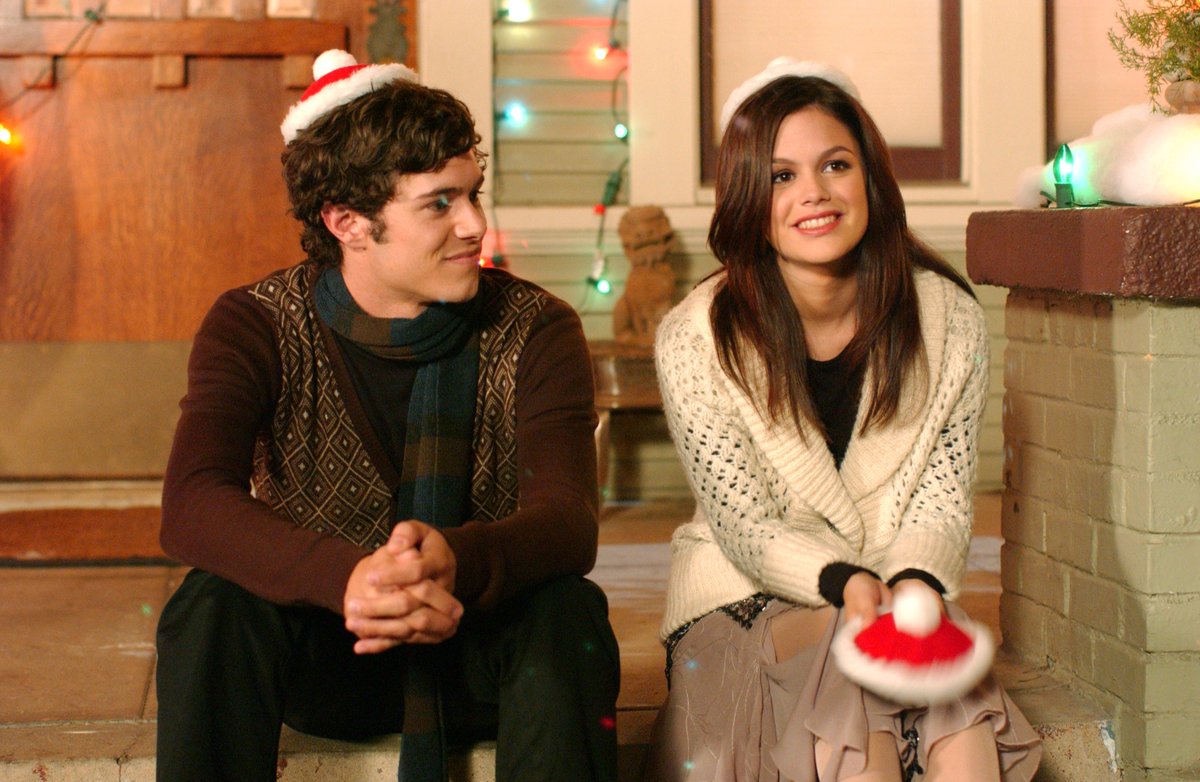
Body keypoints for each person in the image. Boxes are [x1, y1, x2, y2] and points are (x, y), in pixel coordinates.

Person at [154, 50, 619, 782]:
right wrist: (351, 579)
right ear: (348, 222)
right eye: (439, 203)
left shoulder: (536, 326)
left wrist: (454, 561)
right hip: (334, 654)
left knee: (567, 610)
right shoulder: (257, 323)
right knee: (210, 605)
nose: (474, 225)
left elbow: (567, 520)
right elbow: (191, 505)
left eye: (473, 195)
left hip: (479, 655)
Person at [642, 59, 1042, 782]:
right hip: (743, 602)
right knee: (849, 665)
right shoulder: (697, 336)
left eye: (835, 165)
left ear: (870, 178)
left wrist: (915, 585)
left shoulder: (947, 319)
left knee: (942, 682)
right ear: (747, 196)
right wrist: (846, 585)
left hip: (886, 593)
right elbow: (745, 527)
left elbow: (941, 499)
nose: (814, 194)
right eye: (781, 176)